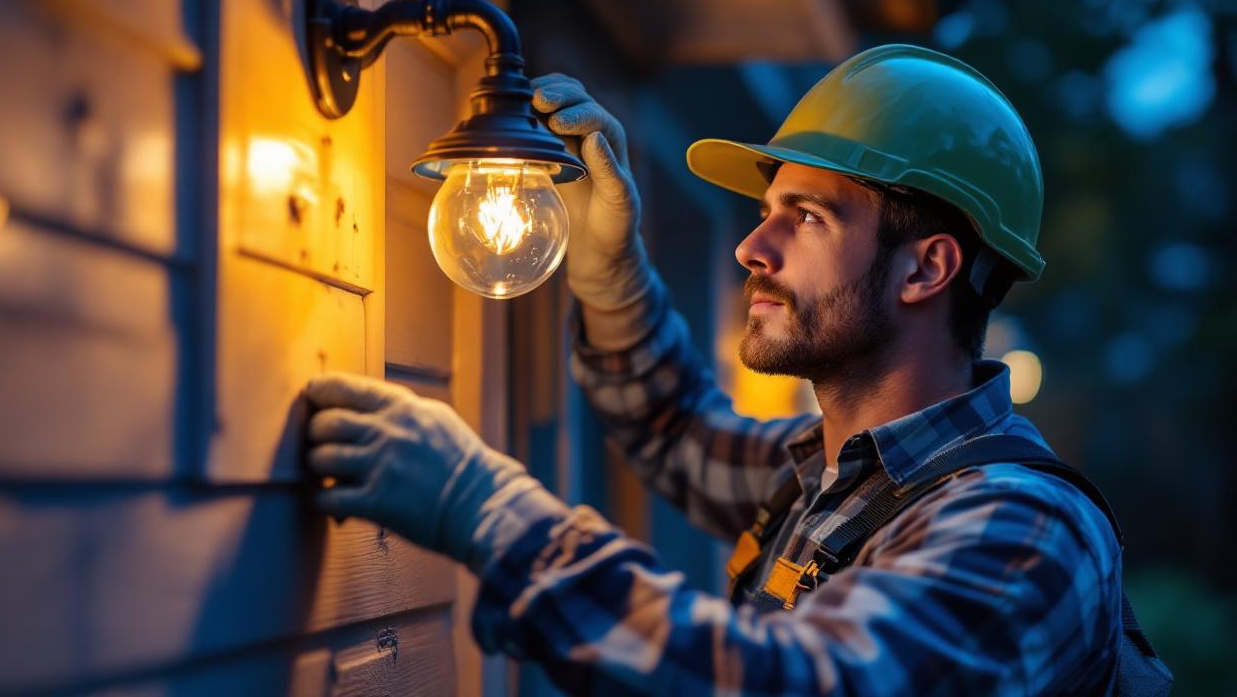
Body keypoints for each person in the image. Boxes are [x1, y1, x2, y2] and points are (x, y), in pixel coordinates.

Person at [302, 45, 1125, 694]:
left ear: (925, 270)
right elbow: (673, 425)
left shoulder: (1025, 531)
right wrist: (611, 274)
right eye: (767, 213)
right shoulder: (828, 473)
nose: (750, 248)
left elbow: (800, 687)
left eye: (804, 218)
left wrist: (489, 513)